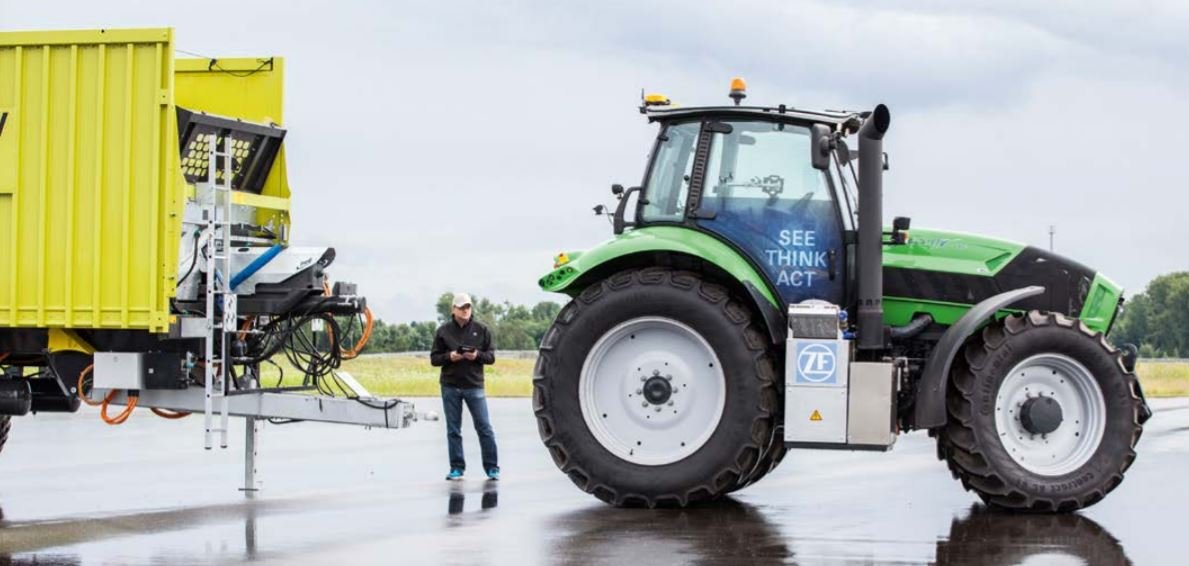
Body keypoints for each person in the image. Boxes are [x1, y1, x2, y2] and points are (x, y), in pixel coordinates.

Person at [430, 292, 499, 481]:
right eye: (461, 307)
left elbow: (491, 357)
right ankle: (457, 468)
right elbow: (434, 359)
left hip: (474, 385)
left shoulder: (482, 330)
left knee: (484, 427)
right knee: (453, 430)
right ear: (453, 309)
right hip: (450, 386)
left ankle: (492, 467)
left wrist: (476, 355)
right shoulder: (443, 331)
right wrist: (450, 357)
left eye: (468, 307)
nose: (465, 310)